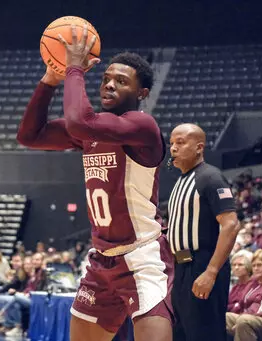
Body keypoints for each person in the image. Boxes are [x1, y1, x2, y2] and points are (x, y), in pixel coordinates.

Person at [17, 24, 173, 341]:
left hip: (141, 258)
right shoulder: (92, 133)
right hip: (101, 262)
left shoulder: (142, 126)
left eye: (121, 81)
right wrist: (49, 81)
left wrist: (74, 68)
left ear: (142, 94)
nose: (109, 85)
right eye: (106, 79)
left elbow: (79, 121)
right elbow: (29, 136)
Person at [168, 123, 241, 341]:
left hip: (202, 265)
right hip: (181, 268)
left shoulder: (211, 177)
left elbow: (231, 224)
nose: (173, 148)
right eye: (171, 143)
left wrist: (210, 272)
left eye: (180, 143)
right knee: (182, 334)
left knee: (205, 335)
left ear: (199, 147)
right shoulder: (180, 181)